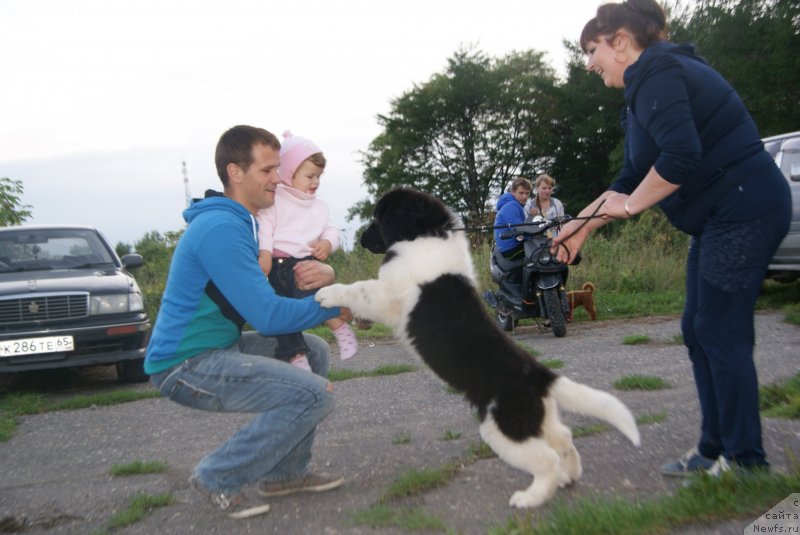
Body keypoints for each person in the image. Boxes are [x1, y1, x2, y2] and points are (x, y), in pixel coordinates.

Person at [552, 0, 791, 477]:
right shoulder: (645, 88)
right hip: (720, 218)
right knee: (698, 329)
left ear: (620, 41)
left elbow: (680, 157)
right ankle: (711, 450)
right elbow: (627, 181)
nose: (588, 62)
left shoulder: (658, 71)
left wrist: (631, 205)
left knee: (720, 331)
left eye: (591, 49)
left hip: (744, 209)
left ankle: (747, 463)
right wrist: (580, 225)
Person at [144, 125, 348, 519]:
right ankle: (217, 476)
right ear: (236, 173)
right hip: (183, 364)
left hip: (217, 348)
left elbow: (280, 287)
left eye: (279, 168)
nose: (279, 178)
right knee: (315, 394)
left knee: (314, 350)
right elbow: (268, 315)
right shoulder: (221, 229)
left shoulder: (244, 222)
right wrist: (332, 308)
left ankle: (284, 473)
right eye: (268, 171)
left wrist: (326, 279)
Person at [256, 132, 358, 370]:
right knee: (281, 315)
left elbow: (331, 230)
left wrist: (328, 244)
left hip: (304, 263)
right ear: (289, 173)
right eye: (310, 176)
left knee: (317, 298)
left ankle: (339, 327)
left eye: (319, 177)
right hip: (277, 265)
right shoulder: (276, 199)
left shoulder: (319, 206)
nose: (315, 182)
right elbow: (265, 228)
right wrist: (265, 254)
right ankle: (296, 356)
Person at [493, 176, 532, 260]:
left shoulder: (515, 204)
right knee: (540, 250)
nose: (525, 196)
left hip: (513, 244)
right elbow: (519, 228)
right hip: (510, 248)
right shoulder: (511, 206)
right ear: (513, 192)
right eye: (521, 193)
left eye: (527, 193)